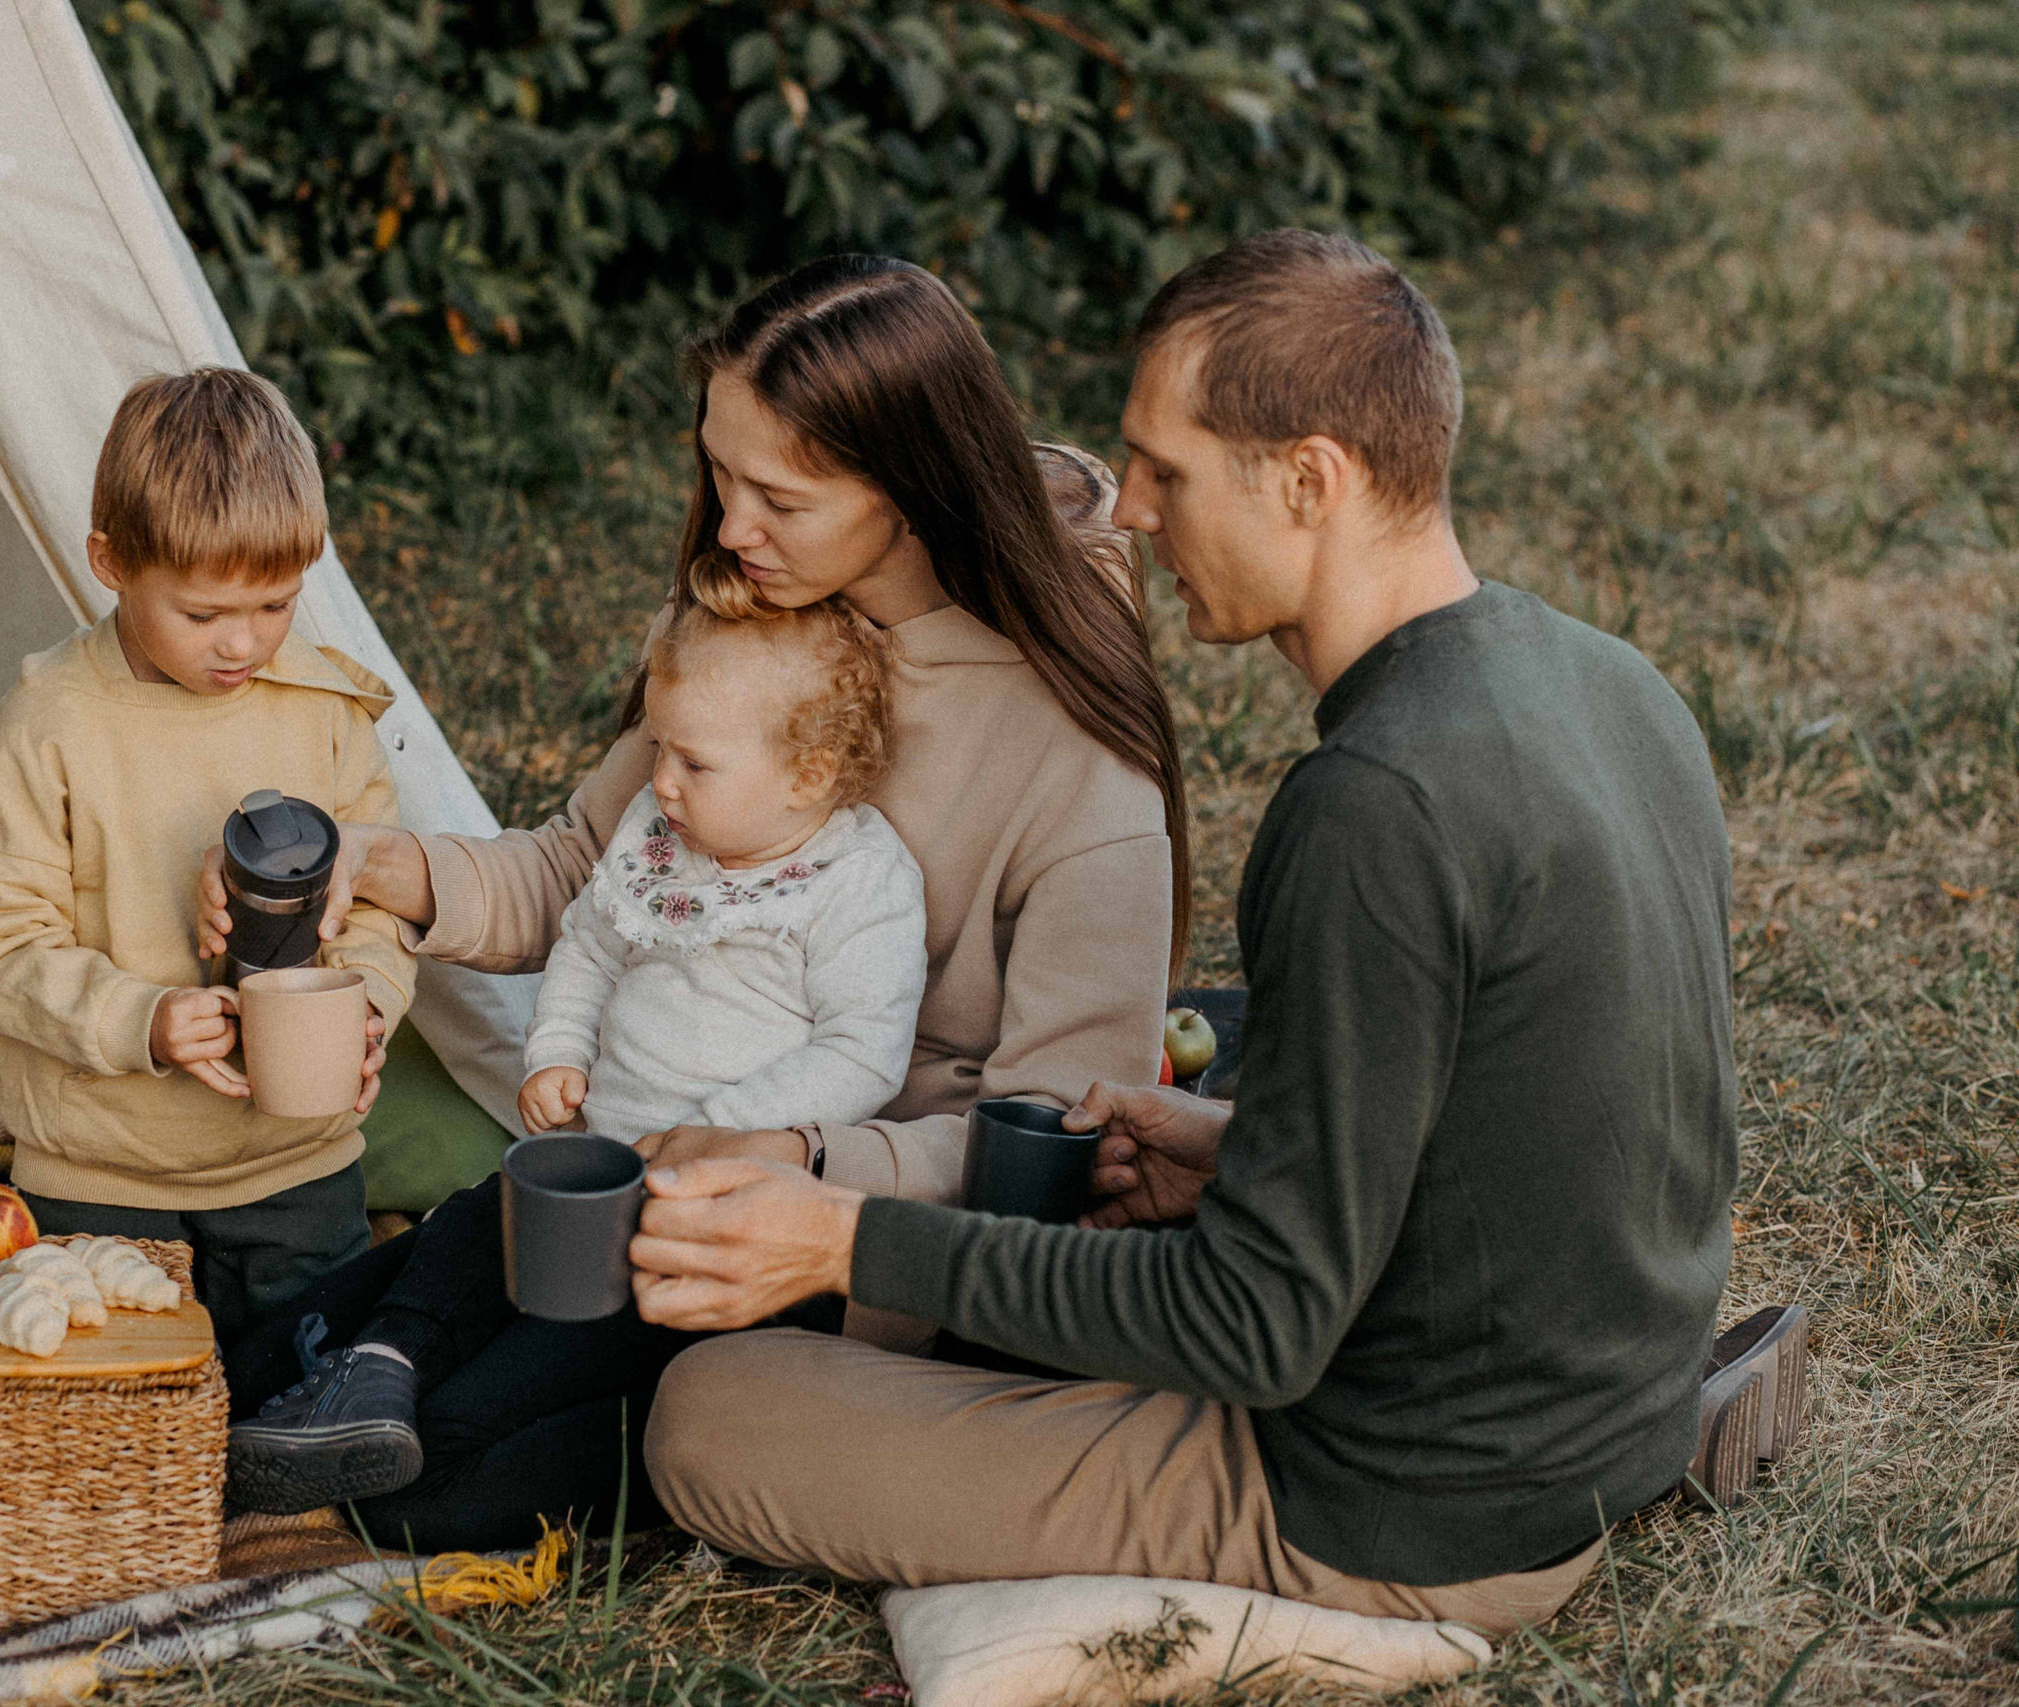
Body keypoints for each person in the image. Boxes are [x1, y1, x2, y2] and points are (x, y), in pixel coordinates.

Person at [629, 231, 1785, 1636]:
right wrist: (1247, 1147)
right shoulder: (1608, 681)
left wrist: (845, 1237)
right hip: (1604, 1415)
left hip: (1398, 1497)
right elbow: (1551, 1103)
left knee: (713, 1415)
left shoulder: (1373, 808)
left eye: (1167, 473)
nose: (1135, 518)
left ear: (1310, 477)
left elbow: (1254, 1328)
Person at [195, 253, 1190, 1550]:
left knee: (435, 1473)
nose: (729, 526)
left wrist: (800, 1162)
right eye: (721, 474)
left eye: (779, 494)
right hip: (653, 1161)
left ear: (912, 482)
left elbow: (1055, 1150)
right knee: (247, 1362)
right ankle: (352, 1369)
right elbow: (575, 871)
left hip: (854, 1253)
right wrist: (383, 864)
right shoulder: (757, 626)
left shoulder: (1073, 765)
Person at [220, 595, 929, 1514]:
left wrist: (714, 1135)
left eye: (693, 762)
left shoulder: (859, 885)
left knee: (455, 1443)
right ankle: (333, 1376)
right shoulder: (660, 833)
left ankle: (398, 1440)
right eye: (660, 749)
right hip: (586, 1175)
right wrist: (556, 1050)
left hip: (699, 1225)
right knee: (460, 1239)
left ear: (811, 773)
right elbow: (591, 943)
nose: (660, 780)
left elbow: (862, 1053)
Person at [0, 367, 405, 1346]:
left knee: (308, 1390)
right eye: (202, 613)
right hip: (104, 1176)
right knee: (120, 1411)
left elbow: (381, 903)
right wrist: (138, 1020)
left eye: (275, 605)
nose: (243, 642)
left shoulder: (323, 713)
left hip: (298, 1168)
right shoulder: (47, 727)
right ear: (109, 561)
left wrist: (367, 1003)